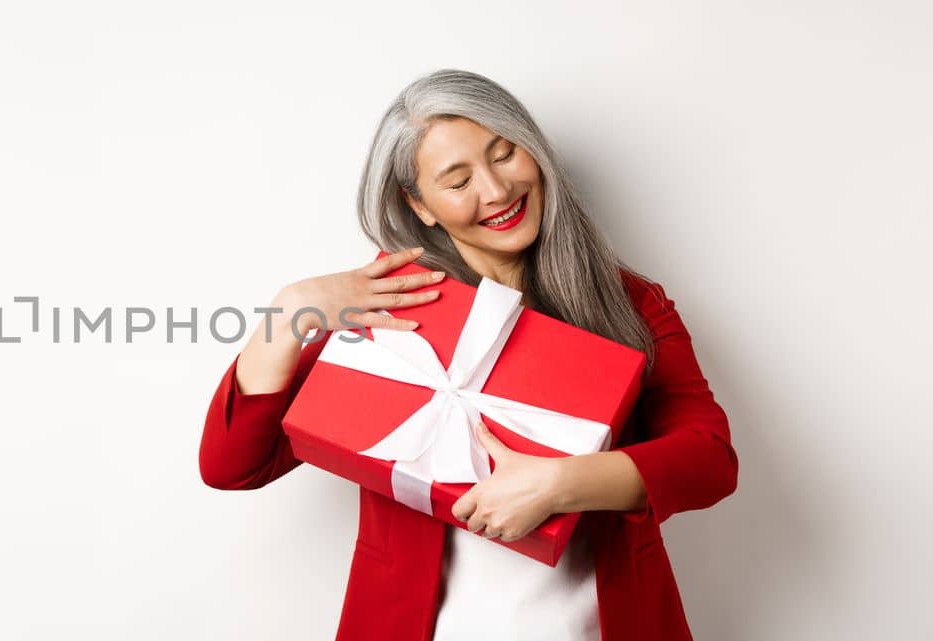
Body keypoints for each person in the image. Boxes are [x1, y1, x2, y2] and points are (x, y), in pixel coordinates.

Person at [197, 69, 738, 641]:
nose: (497, 191)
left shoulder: (628, 303)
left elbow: (708, 460)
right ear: (420, 204)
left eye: (505, 154)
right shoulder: (397, 308)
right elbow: (234, 465)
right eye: (458, 181)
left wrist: (561, 485)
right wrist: (291, 311)